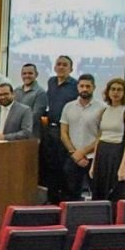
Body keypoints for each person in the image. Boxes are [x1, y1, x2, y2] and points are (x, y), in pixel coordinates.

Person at [89, 78, 125, 203]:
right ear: (108, 92)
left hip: (117, 152)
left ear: (124, 93)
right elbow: (99, 137)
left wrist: (123, 166)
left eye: (119, 90)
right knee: (99, 189)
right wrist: (93, 165)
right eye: (113, 89)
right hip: (102, 152)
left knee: (115, 191)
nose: (115, 92)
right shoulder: (103, 111)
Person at [60, 74, 103, 201]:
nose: (85, 89)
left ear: (94, 88)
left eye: (88, 86)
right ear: (77, 87)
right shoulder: (68, 106)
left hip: (93, 158)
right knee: (71, 194)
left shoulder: (102, 108)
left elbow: (101, 136)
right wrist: (74, 153)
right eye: (82, 86)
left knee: (97, 194)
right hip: (72, 156)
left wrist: (83, 152)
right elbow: (63, 133)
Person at [44, 55, 79, 202]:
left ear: (71, 69)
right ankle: (52, 200)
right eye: (58, 64)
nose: (61, 67)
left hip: (66, 131)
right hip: (50, 130)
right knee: (51, 167)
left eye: (65, 65)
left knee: (65, 169)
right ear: (54, 67)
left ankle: (66, 201)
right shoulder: (51, 82)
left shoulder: (75, 85)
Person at [15, 63, 48, 140]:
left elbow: (34, 116)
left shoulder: (40, 93)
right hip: (15, 134)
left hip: (31, 136)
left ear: (36, 75)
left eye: (30, 73)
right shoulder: (16, 91)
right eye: (24, 73)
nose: (27, 76)